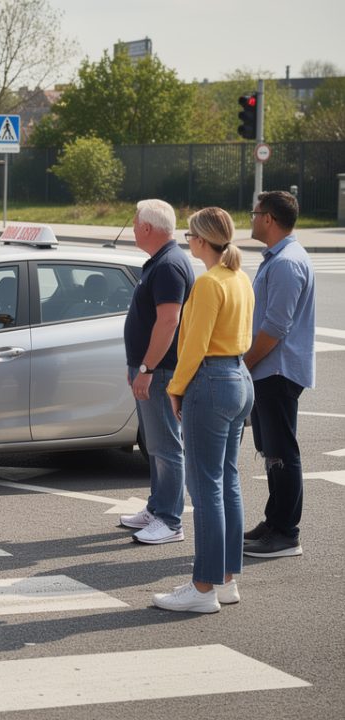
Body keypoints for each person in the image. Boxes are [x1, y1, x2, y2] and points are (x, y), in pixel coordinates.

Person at [155, 207, 254, 613]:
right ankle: (226, 580)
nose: (186, 241)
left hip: (211, 382)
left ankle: (201, 589)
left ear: (200, 240)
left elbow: (193, 345)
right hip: (239, 378)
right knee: (226, 482)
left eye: (189, 235)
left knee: (206, 487)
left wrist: (175, 388)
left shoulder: (210, 283)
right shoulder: (239, 278)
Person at [243, 190, 316, 558]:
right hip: (270, 370)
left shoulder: (287, 262)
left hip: (277, 370)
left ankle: (286, 533)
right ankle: (275, 522)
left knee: (282, 452)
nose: (252, 219)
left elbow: (275, 327)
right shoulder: (279, 258)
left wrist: (246, 362)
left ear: (268, 218)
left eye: (255, 213)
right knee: (273, 451)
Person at [119, 199, 194, 545]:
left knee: (166, 446)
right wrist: (136, 365)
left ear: (148, 227)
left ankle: (170, 520)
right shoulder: (160, 262)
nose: (132, 227)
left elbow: (168, 322)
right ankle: (157, 507)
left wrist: (146, 368)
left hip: (162, 370)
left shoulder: (168, 266)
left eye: (135, 222)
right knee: (156, 445)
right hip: (152, 368)